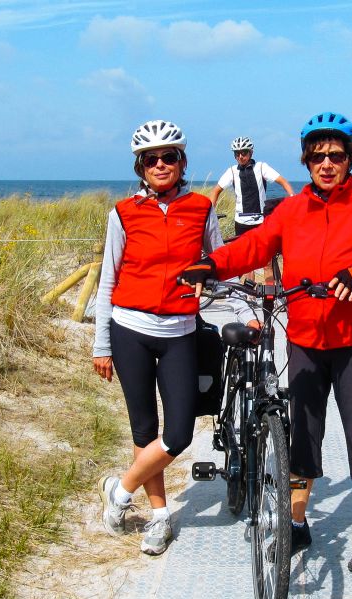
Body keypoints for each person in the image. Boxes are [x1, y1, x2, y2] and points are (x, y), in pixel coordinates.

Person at [183, 112, 352, 573]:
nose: (327, 164)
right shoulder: (290, 210)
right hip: (306, 338)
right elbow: (255, 246)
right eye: (318, 156)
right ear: (306, 161)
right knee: (301, 435)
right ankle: (297, 522)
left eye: (337, 155)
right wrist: (212, 264)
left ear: (350, 159)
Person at [93, 119, 252, 555]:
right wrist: (101, 343)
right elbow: (109, 281)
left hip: (181, 330)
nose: (161, 164)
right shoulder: (122, 213)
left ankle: (121, 491)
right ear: (140, 168)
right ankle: (160, 518)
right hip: (130, 330)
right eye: (151, 159)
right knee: (144, 429)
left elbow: (219, 267)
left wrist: (241, 312)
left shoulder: (200, 209)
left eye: (169, 157)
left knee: (178, 433)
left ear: (182, 162)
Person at [207, 137, 294, 282]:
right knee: (247, 263)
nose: (241, 156)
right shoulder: (232, 171)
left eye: (244, 152)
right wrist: (208, 214)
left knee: (267, 262)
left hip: (261, 221)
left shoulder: (261, 167)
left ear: (251, 153)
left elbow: (282, 181)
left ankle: (269, 299)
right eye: (237, 153)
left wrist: (292, 199)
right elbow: (216, 190)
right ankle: (250, 299)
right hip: (241, 222)